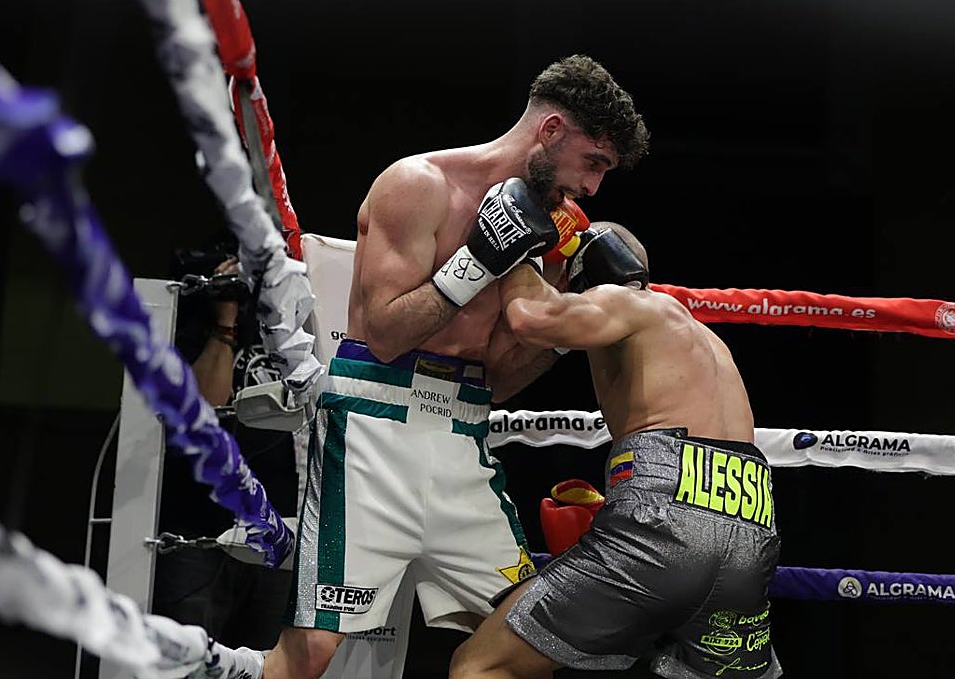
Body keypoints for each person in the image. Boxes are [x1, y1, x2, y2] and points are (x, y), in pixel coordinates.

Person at [263, 54, 650, 679]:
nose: (593, 188)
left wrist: (565, 327)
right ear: (551, 132)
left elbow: (500, 375)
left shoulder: (545, 234)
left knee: (524, 645)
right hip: (371, 432)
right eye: (594, 163)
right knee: (310, 655)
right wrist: (477, 260)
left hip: (463, 437)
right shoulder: (420, 185)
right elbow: (385, 333)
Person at [449, 222, 784, 679]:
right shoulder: (706, 339)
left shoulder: (627, 302)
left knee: (481, 665)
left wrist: (515, 247)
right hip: (749, 528)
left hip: (662, 525)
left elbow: (531, 318)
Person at [152, 237, 300, 651]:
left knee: (270, 663)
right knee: (191, 660)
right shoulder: (186, 331)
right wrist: (226, 316)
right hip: (199, 527)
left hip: (277, 530)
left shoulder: (294, 335)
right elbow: (208, 408)